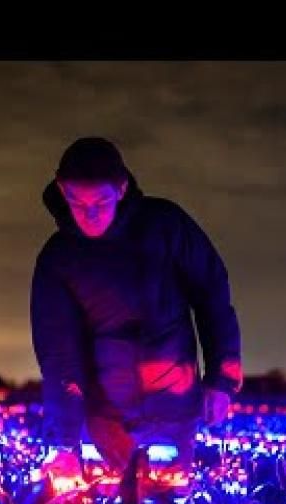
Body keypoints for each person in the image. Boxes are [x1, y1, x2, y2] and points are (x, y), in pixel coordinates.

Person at [30, 137, 242, 485]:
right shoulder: (58, 259)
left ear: (122, 187)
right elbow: (58, 352)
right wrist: (65, 440)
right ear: (60, 189)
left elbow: (212, 296)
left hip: (174, 406)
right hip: (103, 420)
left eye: (101, 200)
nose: (90, 214)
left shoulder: (165, 226)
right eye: (76, 202)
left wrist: (221, 379)